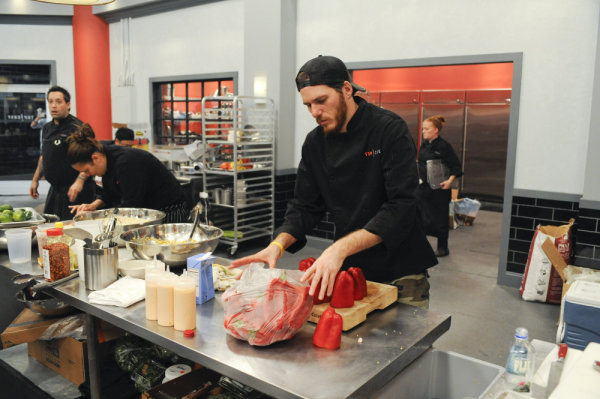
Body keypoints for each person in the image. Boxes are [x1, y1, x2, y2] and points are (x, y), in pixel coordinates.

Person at [231, 55, 437, 308]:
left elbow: (402, 206)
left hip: (401, 269)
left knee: (405, 343)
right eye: (308, 105)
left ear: (346, 89)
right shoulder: (315, 143)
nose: (315, 112)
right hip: (350, 268)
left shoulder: (388, 129)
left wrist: (338, 249)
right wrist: (277, 244)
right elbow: (305, 207)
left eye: (321, 101)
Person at [66, 123, 190, 223]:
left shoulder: (126, 163)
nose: (87, 174)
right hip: (147, 211)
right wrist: (93, 206)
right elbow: (109, 194)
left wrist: (96, 216)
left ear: (95, 158)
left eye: (86, 170)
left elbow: (131, 207)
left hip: (168, 210)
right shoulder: (106, 156)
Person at [29, 86, 95, 220]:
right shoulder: (47, 128)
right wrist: (35, 179)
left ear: (68, 104)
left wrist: (79, 182)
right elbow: (44, 156)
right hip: (55, 191)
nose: (54, 106)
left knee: (74, 232)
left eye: (58, 101)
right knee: (51, 227)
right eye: (51, 101)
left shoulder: (79, 128)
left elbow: (90, 159)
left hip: (77, 191)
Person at [415, 115, 463, 257]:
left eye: (427, 129)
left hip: (440, 190)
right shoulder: (424, 145)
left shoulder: (444, 146)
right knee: (421, 217)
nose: (423, 131)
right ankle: (422, 246)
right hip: (424, 189)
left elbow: (455, 166)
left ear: (436, 130)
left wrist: (449, 182)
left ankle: (443, 248)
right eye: (423, 129)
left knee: (440, 218)